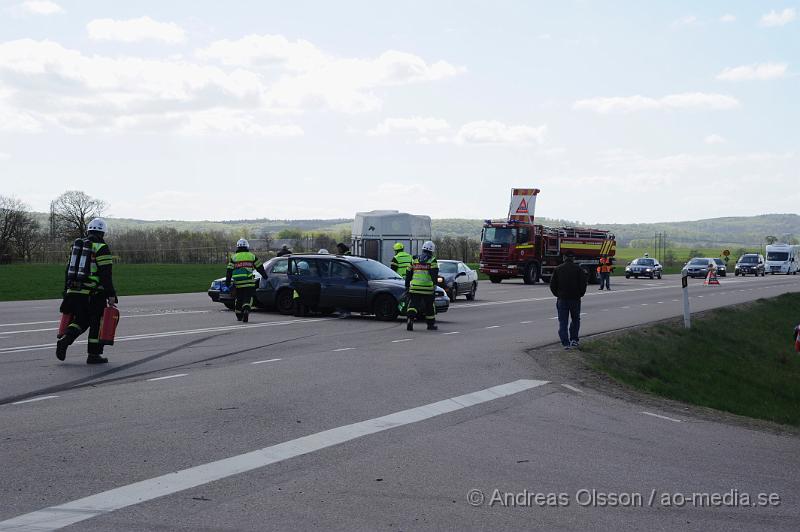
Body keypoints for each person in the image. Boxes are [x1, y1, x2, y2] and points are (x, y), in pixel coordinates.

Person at [55, 218, 117, 364]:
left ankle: (66, 339)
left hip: (73, 291)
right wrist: (111, 294)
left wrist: (66, 290)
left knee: (81, 320)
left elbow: (67, 270)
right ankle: (93, 355)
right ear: (102, 232)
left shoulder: (77, 246)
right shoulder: (101, 247)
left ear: (89, 230)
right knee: (96, 322)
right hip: (92, 293)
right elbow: (105, 274)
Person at [549, 254, 587, 350]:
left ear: (564, 258)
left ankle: (565, 343)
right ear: (573, 258)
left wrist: (558, 295)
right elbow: (583, 284)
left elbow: (552, 285)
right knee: (575, 319)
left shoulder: (558, 269)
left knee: (563, 322)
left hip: (562, 299)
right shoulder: (579, 269)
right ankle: (574, 340)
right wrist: (580, 294)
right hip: (575, 299)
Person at [225, 238, 267, 323]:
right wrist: (265, 276)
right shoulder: (251, 256)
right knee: (248, 298)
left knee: (239, 299)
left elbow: (229, 270)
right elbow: (260, 267)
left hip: (238, 283)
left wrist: (228, 281)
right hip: (249, 283)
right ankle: (246, 309)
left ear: (238, 246)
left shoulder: (234, 257)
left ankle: (239, 315)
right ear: (247, 246)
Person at [405, 240, 439, 331]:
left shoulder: (414, 259)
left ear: (423, 249)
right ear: (432, 250)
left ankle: (410, 319)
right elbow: (434, 274)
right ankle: (430, 325)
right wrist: (435, 285)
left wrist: (407, 285)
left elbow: (408, 273)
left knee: (413, 304)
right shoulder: (432, 260)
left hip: (415, 287)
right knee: (429, 306)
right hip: (427, 289)